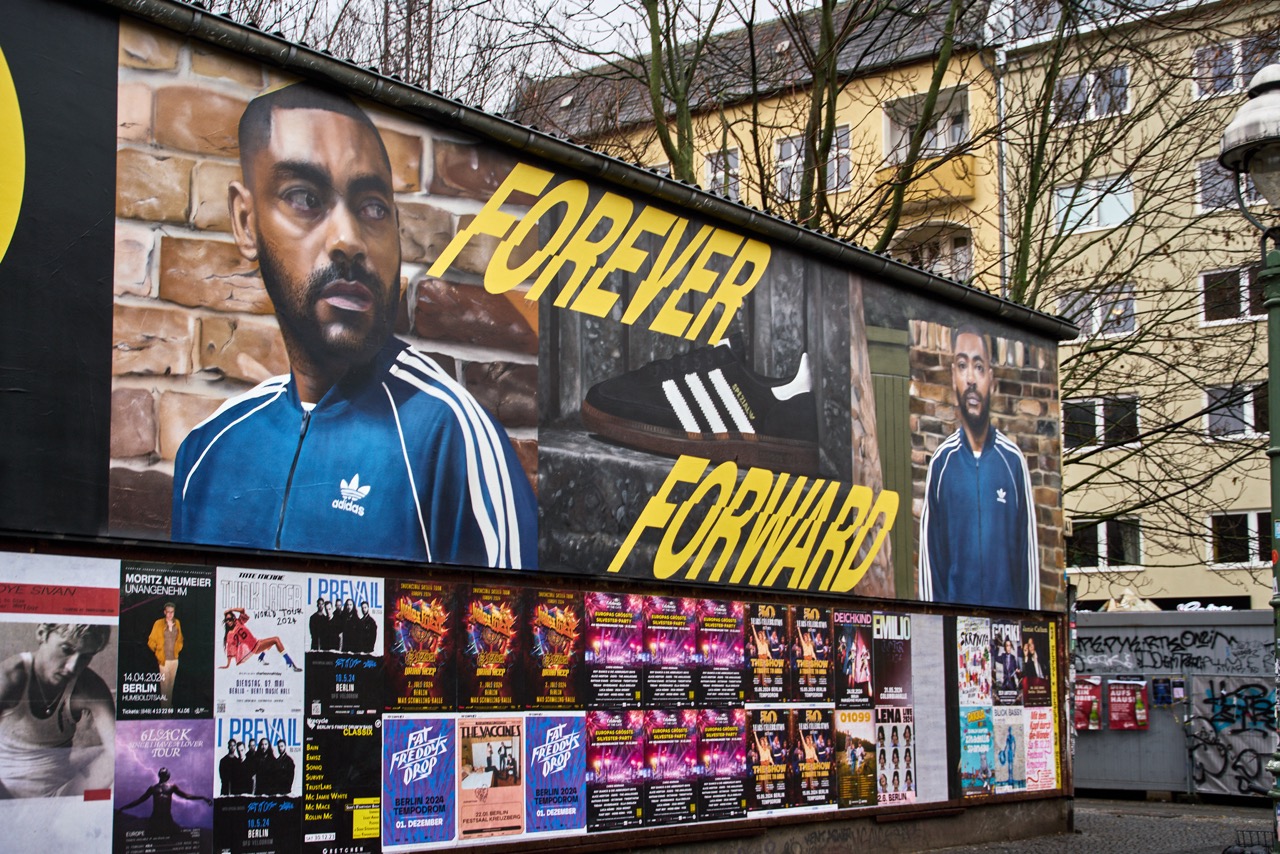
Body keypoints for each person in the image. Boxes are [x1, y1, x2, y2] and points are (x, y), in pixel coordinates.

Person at [170, 82, 536, 569]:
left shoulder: (449, 438)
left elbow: (513, 638)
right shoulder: (207, 451)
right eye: (304, 197)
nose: (348, 239)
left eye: (372, 208)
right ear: (245, 220)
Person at [918, 325, 1039, 610]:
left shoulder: (1013, 462)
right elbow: (930, 562)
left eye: (979, 367)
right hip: (955, 633)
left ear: (991, 381)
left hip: (1006, 632)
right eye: (962, 365)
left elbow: (1029, 562)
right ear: (953, 377)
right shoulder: (942, 463)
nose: (970, 378)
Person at [0, 623, 115, 798]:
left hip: (62, 792)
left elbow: (118, 750)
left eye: (85, 657)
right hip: (7, 793)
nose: (72, 667)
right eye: (66, 650)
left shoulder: (90, 686)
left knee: (122, 761)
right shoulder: (9, 677)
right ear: (42, 634)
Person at [116, 766, 212, 836]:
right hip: (157, 818)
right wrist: (123, 808)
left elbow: (187, 796)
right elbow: (139, 800)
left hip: (164, 818)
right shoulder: (155, 788)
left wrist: (202, 798)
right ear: (167, 776)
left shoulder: (167, 787)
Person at [220, 608, 302, 672]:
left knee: (269, 642)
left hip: (256, 642)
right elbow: (230, 648)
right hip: (254, 647)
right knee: (276, 640)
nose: (228, 622)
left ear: (234, 618)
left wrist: (231, 610)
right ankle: (289, 662)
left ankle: (261, 658)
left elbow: (242, 610)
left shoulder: (239, 622)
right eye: (227, 620)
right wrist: (227, 664)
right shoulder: (230, 633)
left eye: (230, 619)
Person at [147, 602, 183, 708]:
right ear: (164, 612)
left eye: (172, 612)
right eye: (168, 612)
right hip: (164, 660)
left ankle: (168, 706)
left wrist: (178, 648)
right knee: (164, 687)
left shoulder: (177, 623)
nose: (170, 614)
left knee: (171, 686)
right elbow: (151, 641)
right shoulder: (158, 623)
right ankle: (164, 710)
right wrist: (158, 651)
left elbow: (180, 639)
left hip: (175, 660)